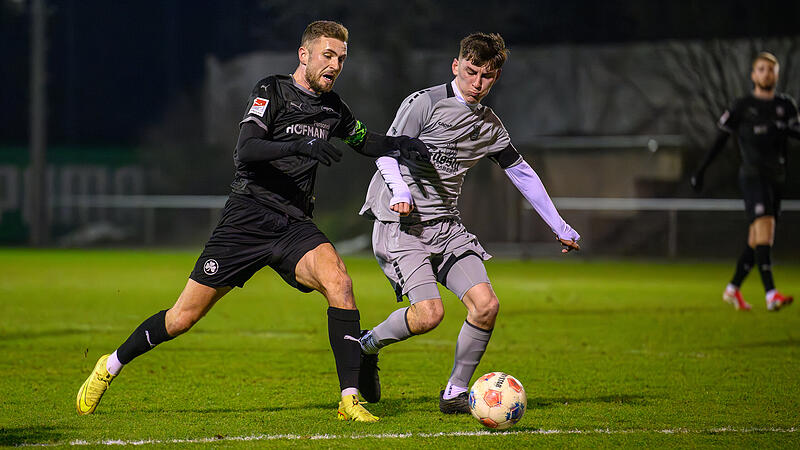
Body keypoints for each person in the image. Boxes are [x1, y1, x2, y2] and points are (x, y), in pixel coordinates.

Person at [75, 20, 429, 422]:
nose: (335, 65)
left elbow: (364, 140)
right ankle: (111, 365)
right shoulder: (271, 90)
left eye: (342, 58)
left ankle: (349, 399)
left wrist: (400, 144)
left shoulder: (334, 109)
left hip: (294, 224)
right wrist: (300, 143)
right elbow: (246, 150)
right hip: (247, 219)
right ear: (304, 55)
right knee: (182, 318)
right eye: (328, 55)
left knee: (340, 282)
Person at [356, 32, 581, 414]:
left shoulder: (490, 126)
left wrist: (558, 225)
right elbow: (385, 152)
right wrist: (401, 192)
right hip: (402, 224)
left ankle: (455, 392)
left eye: (487, 76)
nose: (477, 84)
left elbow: (522, 172)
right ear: (456, 65)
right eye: (471, 72)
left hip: (446, 226)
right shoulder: (424, 103)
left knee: (486, 305)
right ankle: (365, 346)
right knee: (430, 315)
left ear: (496, 77)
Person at [691, 52, 798, 312]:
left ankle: (733, 288)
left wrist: (782, 129)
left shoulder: (786, 106)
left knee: (756, 238)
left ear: (777, 74)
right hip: (752, 175)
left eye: (771, 69)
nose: (766, 74)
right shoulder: (742, 106)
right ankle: (771, 294)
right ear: (753, 75)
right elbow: (720, 139)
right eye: (761, 69)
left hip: (776, 177)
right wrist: (701, 170)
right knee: (766, 230)